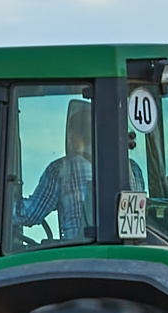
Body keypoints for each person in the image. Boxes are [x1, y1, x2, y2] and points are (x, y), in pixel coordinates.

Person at [13, 100, 144, 241]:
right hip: (127, 254)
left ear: (74, 136)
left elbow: (30, 214)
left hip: (79, 256)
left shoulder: (61, 170)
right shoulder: (133, 169)